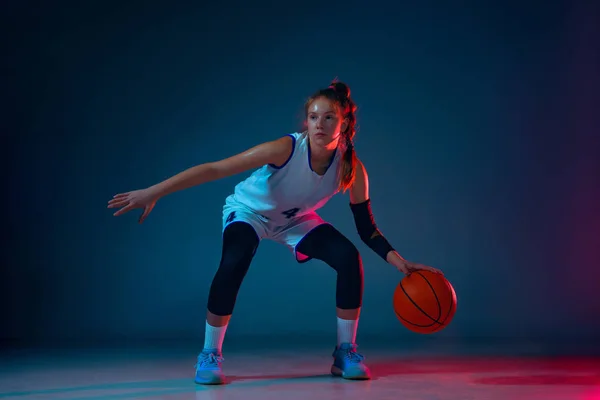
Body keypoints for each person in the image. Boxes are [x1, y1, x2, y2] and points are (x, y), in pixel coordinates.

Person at [107, 80, 442, 385]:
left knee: (348, 258)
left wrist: (400, 263)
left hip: (295, 219)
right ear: (306, 121)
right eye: (313, 117)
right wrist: (155, 191)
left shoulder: (351, 168)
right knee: (234, 260)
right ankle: (210, 355)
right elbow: (216, 168)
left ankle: (345, 352)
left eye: (328, 118)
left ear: (345, 123)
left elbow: (366, 228)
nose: (319, 125)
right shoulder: (286, 149)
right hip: (249, 211)